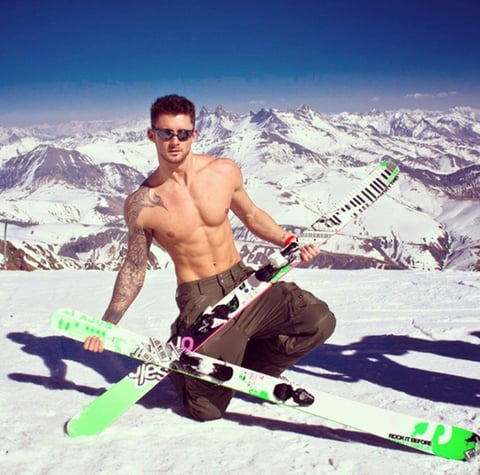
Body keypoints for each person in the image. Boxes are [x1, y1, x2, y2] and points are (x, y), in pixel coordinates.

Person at [84, 94, 336, 421]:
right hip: (202, 299)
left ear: (195, 134)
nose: (174, 141)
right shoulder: (141, 204)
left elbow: (252, 215)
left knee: (318, 321)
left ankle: (255, 369)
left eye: (182, 133)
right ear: (151, 135)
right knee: (207, 411)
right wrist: (108, 324)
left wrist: (288, 240)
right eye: (165, 133)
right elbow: (134, 267)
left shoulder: (223, 171)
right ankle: (184, 351)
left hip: (245, 282)